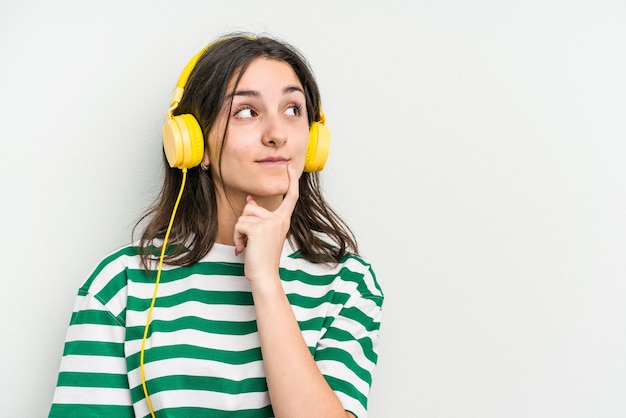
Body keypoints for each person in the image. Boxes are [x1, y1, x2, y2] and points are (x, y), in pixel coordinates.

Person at [49, 33, 383, 418]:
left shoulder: (347, 282)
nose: (276, 134)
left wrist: (267, 282)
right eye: (246, 112)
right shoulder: (121, 286)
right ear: (195, 143)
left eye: (293, 109)